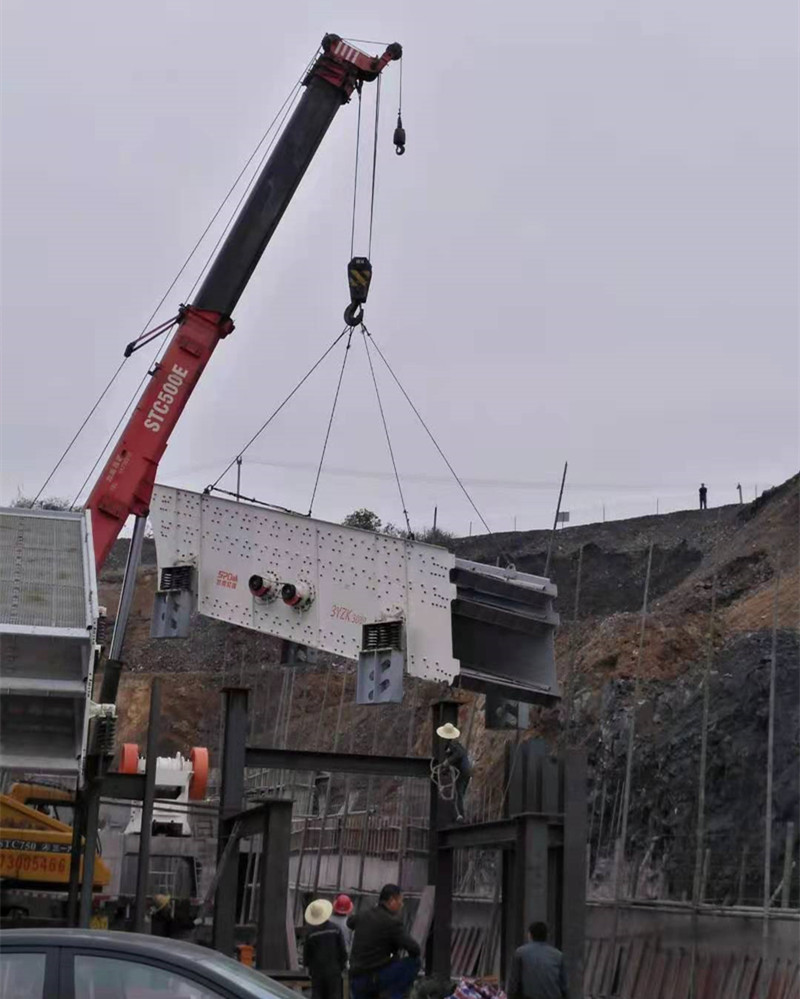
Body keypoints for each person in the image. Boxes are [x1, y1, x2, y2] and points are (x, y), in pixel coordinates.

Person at [347, 884, 421, 999]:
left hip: (356, 979)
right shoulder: (392, 922)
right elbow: (415, 949)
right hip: (374, 979)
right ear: (391, 900)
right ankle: (394, 995)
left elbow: (350, 922)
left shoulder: (363, 915)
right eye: (400, 901)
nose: (401, 905)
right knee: (415, 962)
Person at [507, 921, 567, 999]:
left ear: (530, 935)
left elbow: (514, 983)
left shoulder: (520, 953)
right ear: (547, 936)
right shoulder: (558, 955)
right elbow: (564, 986)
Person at [304, 898, 348, 999]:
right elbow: (342, 951)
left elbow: (307, 955)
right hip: (334, 971)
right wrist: (342, 966)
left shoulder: (311, 934)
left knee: (317, 995)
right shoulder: (336, 929)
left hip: (317, 973)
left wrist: (308, 969)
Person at [436, 722, 473, 821]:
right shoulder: (454, 744)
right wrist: (446, 768)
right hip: (466, 771)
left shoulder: (453, 744)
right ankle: (461, 814)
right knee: (461, 794)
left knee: (458, 794)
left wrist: (447, 762)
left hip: (462, 772)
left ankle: (460, 816)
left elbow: (458, 755)